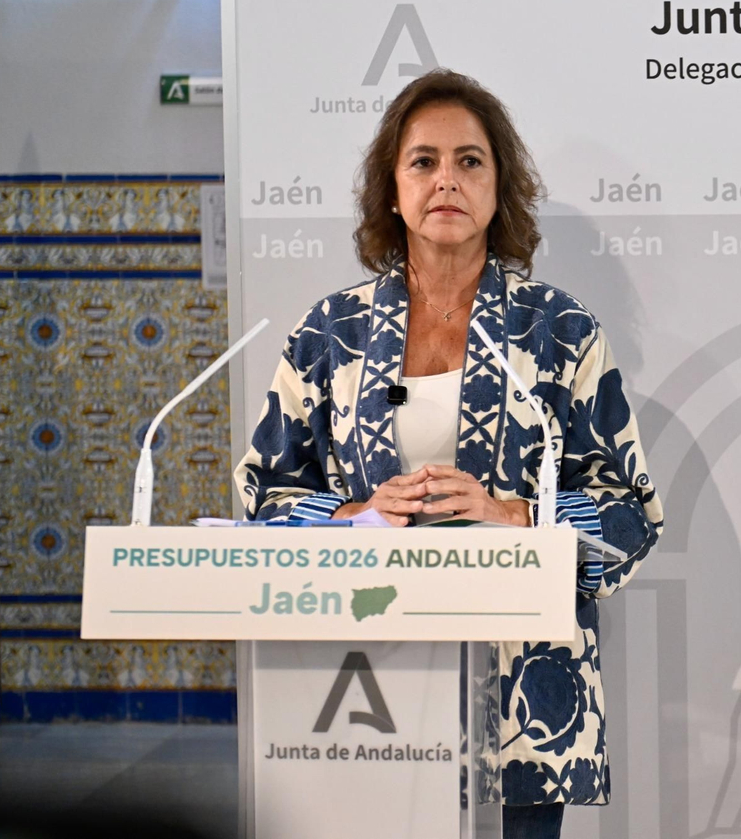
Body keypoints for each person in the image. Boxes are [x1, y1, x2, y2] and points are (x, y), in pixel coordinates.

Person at [234, 68, 664, 839]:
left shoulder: (559, 330)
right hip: (370, 674)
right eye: (423, 161)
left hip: (527, 686)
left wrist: (515, 514)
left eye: (470, 161)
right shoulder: (330, 333)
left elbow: (630, 513)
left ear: (500, 187)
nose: (446, 181)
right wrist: (358, 514)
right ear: (392, 189)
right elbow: (265, 496)